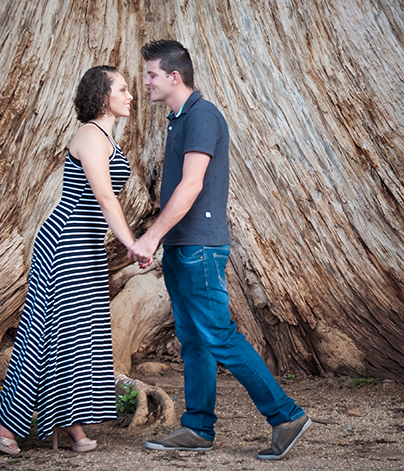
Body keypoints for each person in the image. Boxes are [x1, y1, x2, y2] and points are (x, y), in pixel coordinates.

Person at [128, 40, 310, 460]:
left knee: (219, 336)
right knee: (193, 340)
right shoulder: (178, 119)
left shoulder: (203, 116)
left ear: (175, 76)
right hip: (182, 246)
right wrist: (162, 239)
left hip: (201, 249)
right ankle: (197, 429)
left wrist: (151, 236)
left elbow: (192, 184)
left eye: (152, 74)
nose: (146, 81)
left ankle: (286, 416)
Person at [0, 66, 137, 455]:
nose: (130, 95)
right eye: (122, 88)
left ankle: (69, 421)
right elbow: (104, 197)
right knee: (44, 335)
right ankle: (6, 420)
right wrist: (133, 244)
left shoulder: (105, 137)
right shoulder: (89, 136)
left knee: (82, 336)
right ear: (103, 96)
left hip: (85, 245)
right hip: (64, 241)